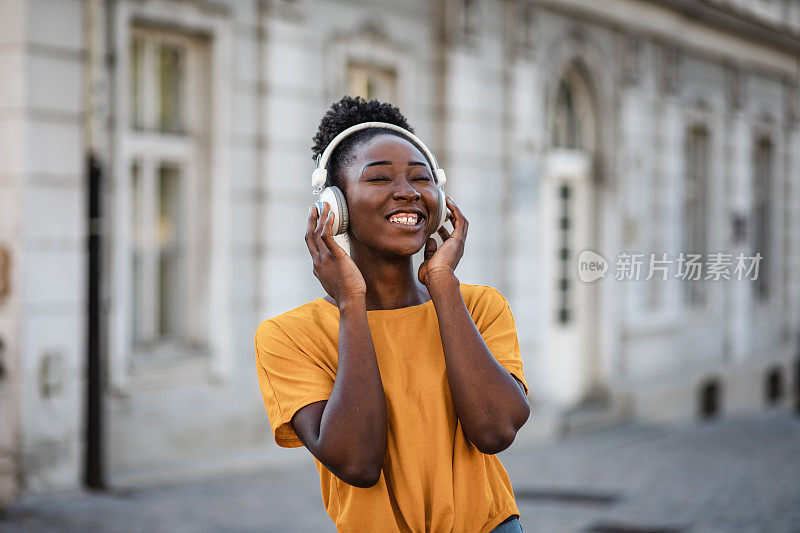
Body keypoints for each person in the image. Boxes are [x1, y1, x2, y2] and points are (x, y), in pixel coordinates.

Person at [254, 96, 530, 532]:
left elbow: (495, 431)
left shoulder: (477, 306)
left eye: (421, 179)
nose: (407, 191)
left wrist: (442, 284)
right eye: (379, 178)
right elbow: (357, 462)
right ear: (334, 207)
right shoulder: (289, 336)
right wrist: (351, 304)